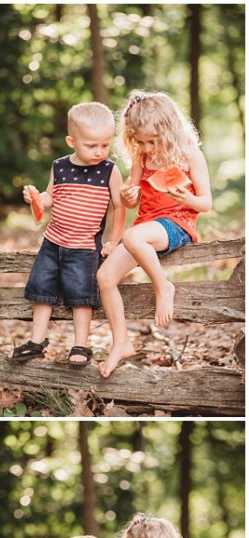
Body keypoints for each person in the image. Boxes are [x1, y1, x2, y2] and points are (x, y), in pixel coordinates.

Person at [98, 91, 212, 377]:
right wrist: (128, 194)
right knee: (104, 277)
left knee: (134, 237)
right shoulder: (141, 159)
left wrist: (186, 197)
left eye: (152, 140)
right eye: (140, 141)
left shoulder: (189, 155)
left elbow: (206, 203)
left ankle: (163, 287)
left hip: (177, 223)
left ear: (170, 130)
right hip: (146, 227)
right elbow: (130, 201)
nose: (147, 147)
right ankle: (121, 342)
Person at [13, 101, 126, 367]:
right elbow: (51, 197)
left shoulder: (109, 170)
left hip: (85, 248)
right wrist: (35, 198)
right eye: (91, 145)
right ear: (71, 141)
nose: (99, 151)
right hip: (52, 243)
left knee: (80, 297)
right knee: (42, 290)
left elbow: (119, 208)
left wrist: (112, 241)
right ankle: (37, 341)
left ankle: (81, 345)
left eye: (105, 145)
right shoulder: (59, 166)